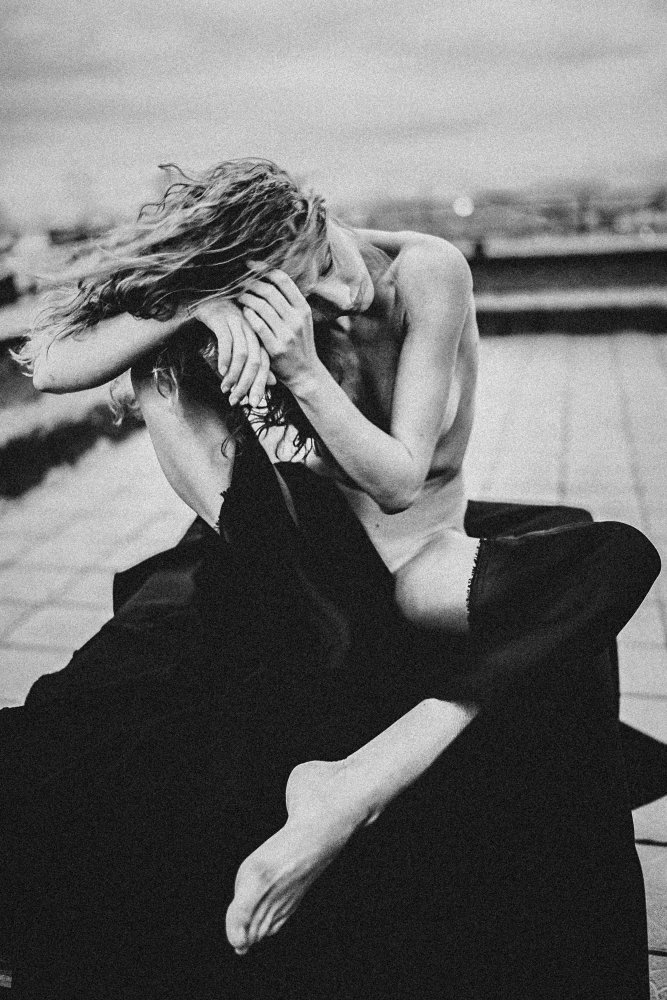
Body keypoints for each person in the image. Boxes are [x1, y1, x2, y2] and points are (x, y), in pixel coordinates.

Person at [9, 158, 660, 996]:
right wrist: (198, 305)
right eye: (294, 292)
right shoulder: (244, 301)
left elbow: (399, 479)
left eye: (320, 264)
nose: (335, 296)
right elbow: (50, 365)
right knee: (159, 375)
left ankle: (352, 785)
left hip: (418, 556)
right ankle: (332, 761)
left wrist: (300, 369)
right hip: (307, 560)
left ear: (320, 215)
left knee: (616, 554)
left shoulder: (424, 272)